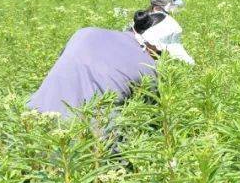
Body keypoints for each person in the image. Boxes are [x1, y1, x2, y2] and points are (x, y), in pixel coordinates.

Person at [27, 9, 193, 119]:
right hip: (90, 144)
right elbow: (146, 118)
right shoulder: (148, 69)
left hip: (33, 120)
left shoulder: (84, 33)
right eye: (161, 52)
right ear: (153, 45)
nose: (159, 58)